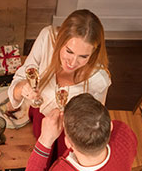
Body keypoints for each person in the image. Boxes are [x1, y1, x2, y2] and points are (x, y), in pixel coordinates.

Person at [8, 9, 111, 151]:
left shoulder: (99, 81)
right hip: (40, 119)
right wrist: (22, 88)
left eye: (83, 56)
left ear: (94, 53)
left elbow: (94, 122)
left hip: (69, 136)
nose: (73, 62)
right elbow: (20, 79)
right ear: (60, 40)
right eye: (69, 51)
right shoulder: (47, 38)